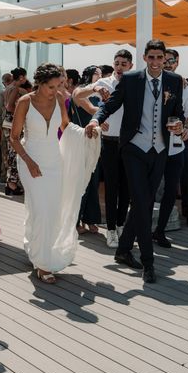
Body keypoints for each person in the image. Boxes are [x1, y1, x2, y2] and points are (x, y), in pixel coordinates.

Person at [86, 39, 184, 283]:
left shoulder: (174, 81)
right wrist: (95, 120)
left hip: (160, 148)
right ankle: (148, 263)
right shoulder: (130, 80)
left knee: (144, 201)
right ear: (144, 58)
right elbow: (110, 105)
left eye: (159, 58)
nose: (155, 62)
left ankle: (123, 249)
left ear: (165, 59)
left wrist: (180, 124)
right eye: (151, 57)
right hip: (134, 148)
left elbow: (177, 111)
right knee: (142, 201)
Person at [11, 63, 101, 283]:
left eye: (59, 85)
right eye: (51, 87)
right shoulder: (25, 102)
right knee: (42, 210)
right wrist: (30, 162)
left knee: (50, 210)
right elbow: (13, 138)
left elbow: (65, 126)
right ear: (40, 84)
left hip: (55, 160)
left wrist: (88, 131)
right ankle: (43, 264)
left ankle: (35, 246)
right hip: (30, 159)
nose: (56, 90)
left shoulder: (60, 99)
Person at [74, 51, 133, 248]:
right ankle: (110, 230)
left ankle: (121, 226)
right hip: (108, 142)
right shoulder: (105, 83)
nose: (119, 66)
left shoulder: (135, 82)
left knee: (126, 189)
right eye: (116, 63)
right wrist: (96, 112)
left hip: (130, 142)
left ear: (130, 65)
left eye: (124, 63)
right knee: (111, 187)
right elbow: (76, 96)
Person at [149, 49, 188, 247]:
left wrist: (186, 128)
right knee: (148, 190)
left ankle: (159, 231)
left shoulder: (183, 86)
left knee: (170, 191)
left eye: (171, 60)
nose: (167, 63)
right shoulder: (149, 83)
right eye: (164, 59)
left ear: (177, 62)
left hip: (175, 147)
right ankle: (141, 229)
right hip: (152, 147)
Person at [69, 66, 102, 236]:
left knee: (94, 181)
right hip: (81, 139)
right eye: (97, 73)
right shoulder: (79, 91)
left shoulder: (101, 94)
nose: (101, 76)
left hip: (96, 141)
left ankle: (90, 219)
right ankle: (75, 220)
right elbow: (90, 109)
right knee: (81, 182)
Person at [3, 67, 29, 195]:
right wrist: (21, 113)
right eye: (25, 76)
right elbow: (9, 106)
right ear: (21, 77)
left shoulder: (8, 87)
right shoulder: (15, 89)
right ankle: (12, 184)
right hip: (12, 123)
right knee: (15, 154)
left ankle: (10, 183)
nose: (26, 79)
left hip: (7, 123)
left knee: (11, 153)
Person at [0, 73, 12, 183]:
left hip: (6, 126)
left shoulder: (3, 93)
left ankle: (5, 176)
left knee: (5, 151)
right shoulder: (21, 91)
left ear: (4, 82)